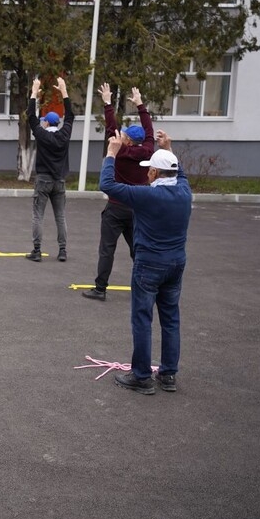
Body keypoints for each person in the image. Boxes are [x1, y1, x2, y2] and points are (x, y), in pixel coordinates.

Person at [99, 129, 192, 395]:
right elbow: (181, 173)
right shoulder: (184, 191)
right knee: (171, 318)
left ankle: (141, 376)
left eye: (149, 169)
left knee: (142, 318)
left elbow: (108, 185)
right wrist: (169, 148)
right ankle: (168, 374)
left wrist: (111, 153)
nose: (147, 173)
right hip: (176, 263)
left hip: (149, 264)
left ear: (154, 173)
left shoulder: (147, 195)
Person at [83, 84, 155, 301]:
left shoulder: (119, 151)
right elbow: (149, 130)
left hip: (116, 207)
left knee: (107, 249)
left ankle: (100, 289)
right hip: (138, 208)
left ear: (128, 141)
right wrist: (140, 105)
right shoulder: (148, 150)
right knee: (138, 250)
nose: (118, 135)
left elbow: (110, 128)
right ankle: (146, 287)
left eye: (122, 135)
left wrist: (107, 102)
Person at [26, 76, 74, 262]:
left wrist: (34, 93)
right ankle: (62, 251)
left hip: (43, 179)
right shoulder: (64, 134)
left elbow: (31, 117)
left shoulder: (41, 135)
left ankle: (37, 251)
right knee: (60, 217)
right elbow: (70, 116)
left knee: (38, 216)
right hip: (59, 180)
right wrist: (64, 91)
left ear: (46, 123)